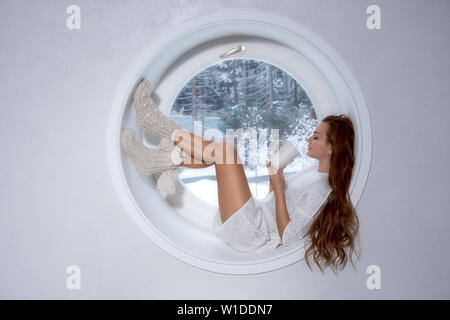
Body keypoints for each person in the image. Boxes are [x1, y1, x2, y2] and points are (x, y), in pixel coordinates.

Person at [121, 79, 359, 273]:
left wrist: (278, 187)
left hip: (253, 231)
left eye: (316, 137)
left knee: (225, 151)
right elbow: (276, 207)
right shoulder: (313, 173)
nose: (309, 140)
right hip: (256, 219)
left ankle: (154, 125)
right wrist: (275, 176)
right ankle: (160, 160)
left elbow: (287, 234)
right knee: (220, 154)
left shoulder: (323, 188)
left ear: (331, 147)